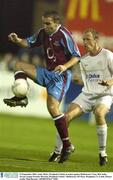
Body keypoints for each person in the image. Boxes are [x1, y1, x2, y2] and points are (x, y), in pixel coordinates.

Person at [3, 11, 81, 163]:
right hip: (47, 72)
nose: (45, 26)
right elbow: (28, 43)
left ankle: (67, 145)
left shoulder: (64, 34)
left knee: (53, 109)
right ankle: (21, 98)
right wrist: (17, 39)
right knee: (19, 65)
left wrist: (65, 67)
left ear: (56, 23)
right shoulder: (42, 33)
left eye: (48, 24)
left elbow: (76, 56)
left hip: (61, 77)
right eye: (43, 23)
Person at [49, 28, 113, 166]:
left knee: (99, 113)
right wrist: (78, 79)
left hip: (104, 94)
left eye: (88, 39)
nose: (85, 42)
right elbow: (87, 78)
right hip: (87, 94)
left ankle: (102, 153)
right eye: (83, 39)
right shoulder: (83, 59)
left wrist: (108, 82)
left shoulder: (107, 55)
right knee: (65, 118)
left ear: (96, 40)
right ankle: (58, 151)